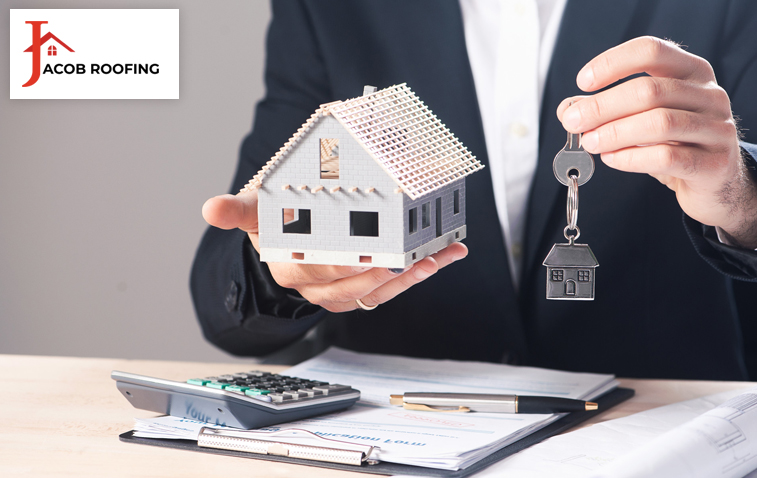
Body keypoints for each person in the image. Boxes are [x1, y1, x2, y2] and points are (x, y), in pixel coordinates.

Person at [191, 0, 757, 380]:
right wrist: (282, 267)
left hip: (664, 428)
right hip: (405, 435)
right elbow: (226, 304)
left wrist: (741, 198)